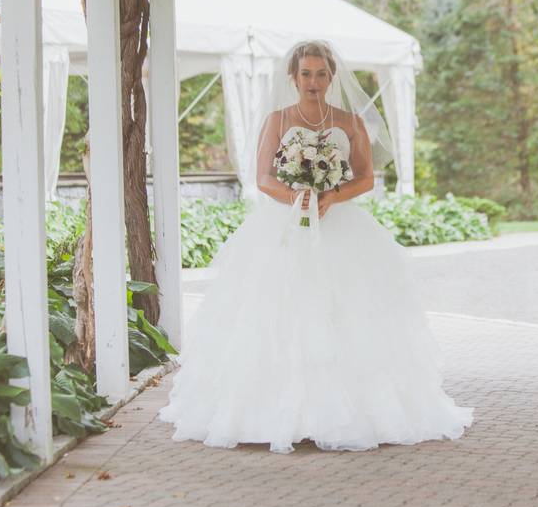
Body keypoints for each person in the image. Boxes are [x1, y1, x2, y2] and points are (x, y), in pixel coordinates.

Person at [158, 40, 474, 454]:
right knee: (279, 310)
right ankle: (272, 413)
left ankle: (353, 413)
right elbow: (263, 177)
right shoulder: (278, 119)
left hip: (339, 223)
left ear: (332, 77)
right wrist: (296, 197)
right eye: (305, 74)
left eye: (321, 74)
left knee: (347, 311)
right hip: (284, 227)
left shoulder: (350, 122)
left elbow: (364, 177)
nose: (313, 81)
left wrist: (331, 196)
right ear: (293, 77)